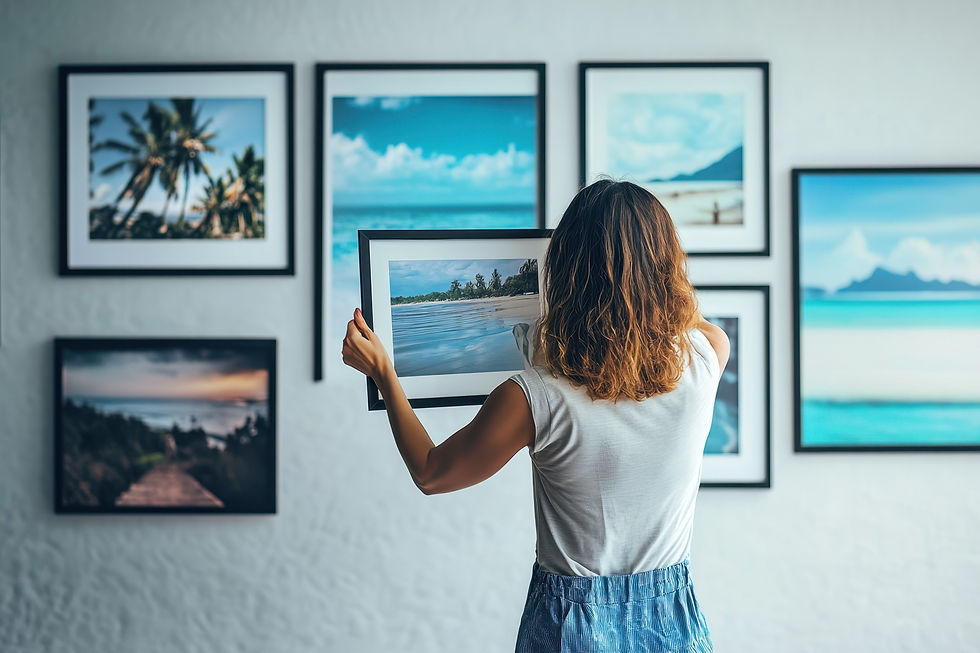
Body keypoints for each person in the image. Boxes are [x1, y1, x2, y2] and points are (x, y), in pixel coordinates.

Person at [342, 179, 728, 652]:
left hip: (573, 628)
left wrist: (384, 371)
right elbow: (682, 320)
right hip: (674, 622)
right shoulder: (708, 354)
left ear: (565, 272)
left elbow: (432, 473)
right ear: (667, 266)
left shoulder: (533, 397)